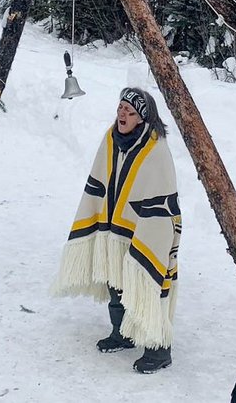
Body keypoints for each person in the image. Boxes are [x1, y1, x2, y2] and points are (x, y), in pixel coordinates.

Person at [52, 87, 180, 374]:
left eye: (129, 111)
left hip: (147, 229)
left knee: (148, 282)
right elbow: (100, 178)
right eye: (120, 108)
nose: (122, 114)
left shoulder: (156, 149)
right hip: (113, 229)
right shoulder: (111, 139)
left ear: (143, 118)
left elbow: (161, 195)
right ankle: (121, 333)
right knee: (115, 282)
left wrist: (149, 226)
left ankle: (159, 350)